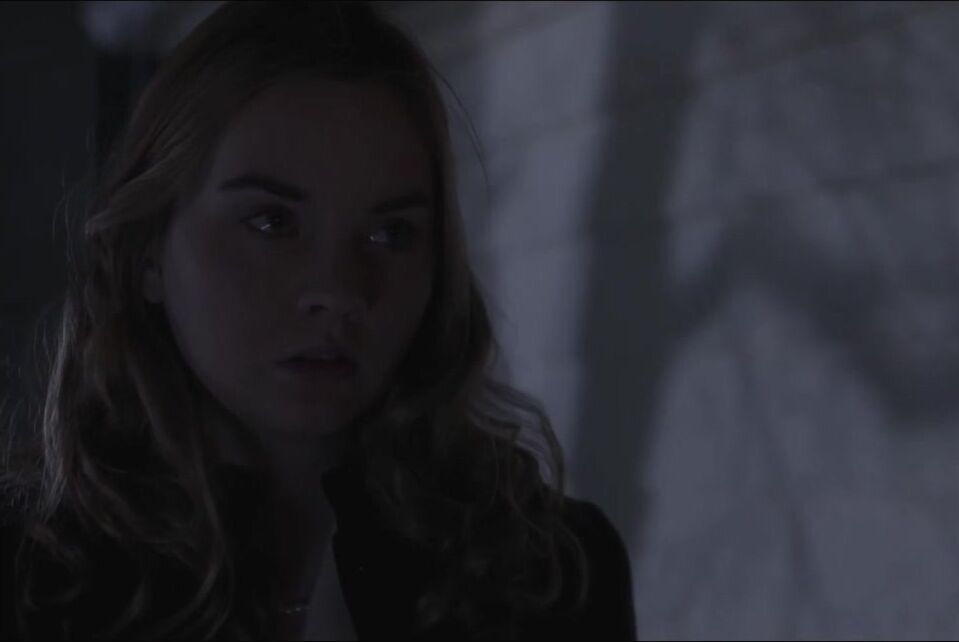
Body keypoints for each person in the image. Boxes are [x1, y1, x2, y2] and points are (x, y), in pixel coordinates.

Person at [0, 2, 637, 639]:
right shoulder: (31, 572)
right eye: (272, 222)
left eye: (391, 233)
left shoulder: (548, 575)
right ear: (148, 251)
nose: (338, 290)